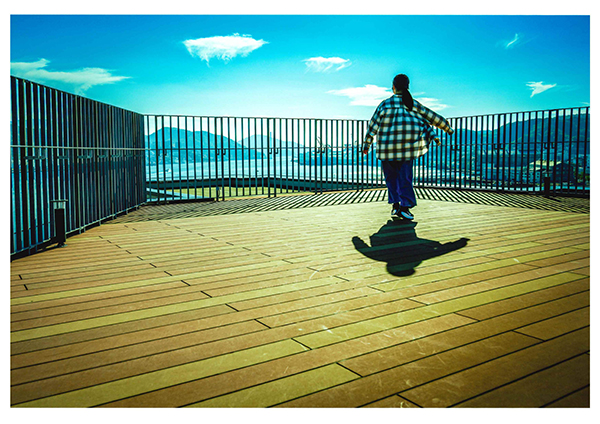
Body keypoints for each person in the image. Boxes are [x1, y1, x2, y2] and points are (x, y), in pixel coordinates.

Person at [362, 74, 454, 220]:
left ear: (393, 87)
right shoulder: (413, 104)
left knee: (391, 179)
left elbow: (373, 125)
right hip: (406, 150)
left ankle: (395, 206)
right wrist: (447, 128)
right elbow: (432, 117)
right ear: (407, 87)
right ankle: (405, 207)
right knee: (405, 178)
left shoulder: (385, 104)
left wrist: (367, 144)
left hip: (386, 151)